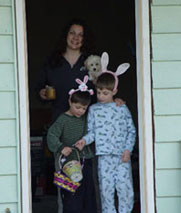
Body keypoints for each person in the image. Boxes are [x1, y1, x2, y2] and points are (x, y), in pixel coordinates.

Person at [75, 71, 136, 213]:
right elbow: (92, 132)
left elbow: (131, 131)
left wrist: (128, 149)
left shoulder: (121, 108)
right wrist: (84, 140)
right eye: (98, 92)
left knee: (125, 190)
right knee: (106, 192)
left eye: (105, 93)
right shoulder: (93, 110)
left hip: (122, 156)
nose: (101, 96)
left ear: (114, 91)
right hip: (104, 156)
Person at [47, 75, 97, 213]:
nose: (80, 111)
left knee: (88, 194)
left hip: (85, 160)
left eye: (84, 108)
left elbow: (94, 131)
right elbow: (51, 135)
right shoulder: (63, 119)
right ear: (70, 101)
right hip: (69, 164)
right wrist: (61, 147)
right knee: (72, 196)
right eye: (77, 107)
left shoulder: (87, 119)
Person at [35, 18, 95, 122]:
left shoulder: (92, 61)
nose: (76, 37)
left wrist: (114, 100)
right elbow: (39, 88)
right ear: (65, 35)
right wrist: (42, 93)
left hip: (86, 123)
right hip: (59, 120)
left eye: (80, 35)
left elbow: (104, 86)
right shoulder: (52, 62)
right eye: (72, 33)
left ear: (84, 39)